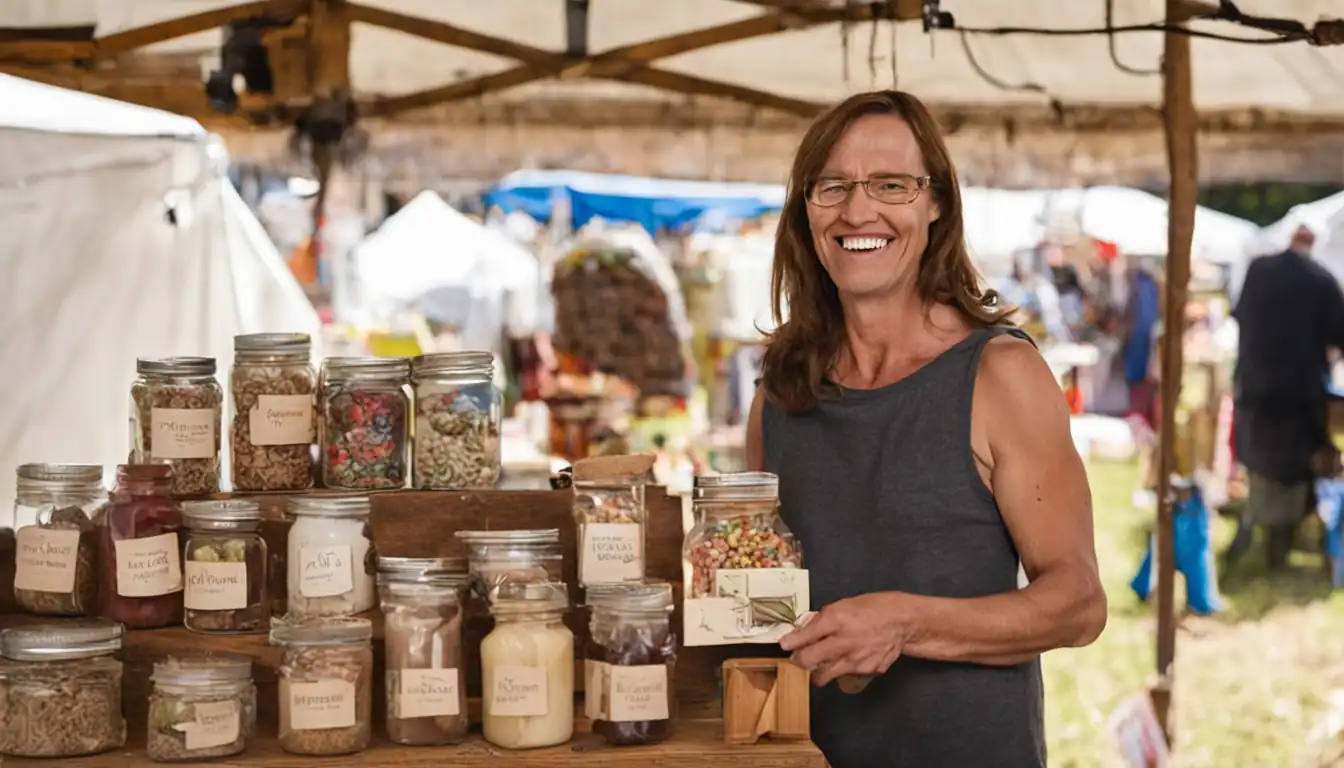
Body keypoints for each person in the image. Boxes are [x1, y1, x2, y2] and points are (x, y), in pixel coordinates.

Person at [745, 90, 1106, 768]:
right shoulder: (781, 385)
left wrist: (904, 624)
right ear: (806, 210)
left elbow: (1078, 603)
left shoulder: (1000, 374)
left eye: (891, 185)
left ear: (935, 203)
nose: (859, 211)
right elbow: (764, 582)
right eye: (833, 187)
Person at [1228, 225, 1344, 569]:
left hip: (1255, 388)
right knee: (1291, 471)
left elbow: (1241, 317)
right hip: (1298, 392)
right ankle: (1275, 547)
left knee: (1261, 467)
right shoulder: (1321, 281)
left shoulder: (1259, 271)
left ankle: (1255, 538)